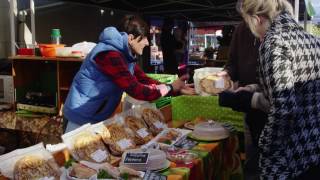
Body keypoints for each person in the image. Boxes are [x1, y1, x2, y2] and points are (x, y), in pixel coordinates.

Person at [63, 15, 195, 132]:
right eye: (144, 38)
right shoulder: (109, 55)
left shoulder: (124, 56)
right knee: (78, 158)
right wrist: (170, 88)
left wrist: (176, 89)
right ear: (131, 38)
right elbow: (136, 89)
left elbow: (143, 79)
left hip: (95, 116)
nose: (147, 43)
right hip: (80, 118)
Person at [241, 0, 320, 179]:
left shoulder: (274, 42)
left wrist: (266, 143)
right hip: (313, 148)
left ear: (256, 19)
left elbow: (284, 107)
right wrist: (253, 88)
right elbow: (300, 85)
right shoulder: (313, 40)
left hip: (287, 156)